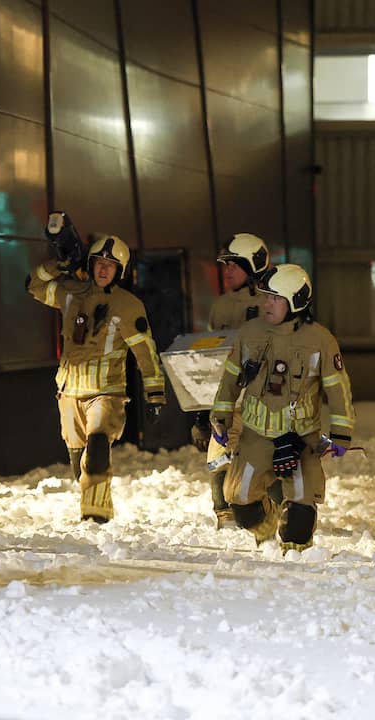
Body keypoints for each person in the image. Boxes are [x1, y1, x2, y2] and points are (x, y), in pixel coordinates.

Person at [27, 212, 166, 523]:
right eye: (99, 263)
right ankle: (92, 501)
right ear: (91, 265)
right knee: (79, 462)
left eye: (111, 265)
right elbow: (33, 285)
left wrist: (155, 393)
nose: (104, 269)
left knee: (99, 445)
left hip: (106, 392)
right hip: (68, 391)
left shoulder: (129, 306)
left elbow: (145, 350)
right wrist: (59, 264)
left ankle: (96, 515)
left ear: (120, 271)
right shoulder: (70, 293)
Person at [209, 264, 354, 550]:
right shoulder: (249, 333)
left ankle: (297, 556)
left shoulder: (320, 340)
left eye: (275, 298)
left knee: (299, 519)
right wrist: (221, 417)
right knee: (242, 507)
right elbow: (230, 380)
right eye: (266, 296)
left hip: (301, 439)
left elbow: (338, 390)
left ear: (296, 301)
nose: (267, 303)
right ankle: (268, 526)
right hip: (254, 437)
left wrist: (342, 433)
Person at [191, 233, 280, 529]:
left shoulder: (273, 304)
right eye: (225, 265)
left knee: (265, 467)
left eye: (234, 265)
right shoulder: (220, 306)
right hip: (227, 403)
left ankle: (280, 516)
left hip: (263, 405)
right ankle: (225, 518)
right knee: (217, 460)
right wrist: (203, 414)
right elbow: (210, 359)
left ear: (254, 266)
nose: (227, 271)